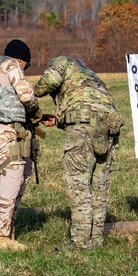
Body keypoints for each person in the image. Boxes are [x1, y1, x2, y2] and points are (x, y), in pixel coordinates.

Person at [35, 56, 124, 250]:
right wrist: (59, 119)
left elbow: (46, 85)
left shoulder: (62, 63)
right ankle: (97, 238)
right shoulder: (91, 76)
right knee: (99, 186)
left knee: (78, 184)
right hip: (109, 124)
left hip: (83, 125)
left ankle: (81, 242)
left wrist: (32, 92)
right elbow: (90, 104)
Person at [0, 39, 42, 251]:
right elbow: (26, 95)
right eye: (25, 67)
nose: (24, 70)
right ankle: (1, 235)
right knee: (14, 172)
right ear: (21, 59)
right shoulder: (11, 64)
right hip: (4, 127)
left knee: (25, 169)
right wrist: (35, 111)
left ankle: (9, 225)